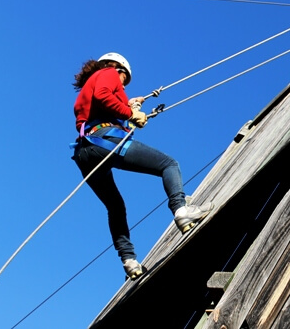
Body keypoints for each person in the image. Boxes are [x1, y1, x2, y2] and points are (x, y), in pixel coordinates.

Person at [71, 52, 213, 279]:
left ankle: (128, 260)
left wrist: (128, 105)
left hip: (84, 151)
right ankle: (181, 210)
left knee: (115, 207)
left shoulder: (89, 86)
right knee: (169, 164)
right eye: (124, 80)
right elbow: (104, 94)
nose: (122, 85)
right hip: (105, 141)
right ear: (119, 69)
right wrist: (130, 113)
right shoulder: (108, 73)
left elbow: (101, 104)